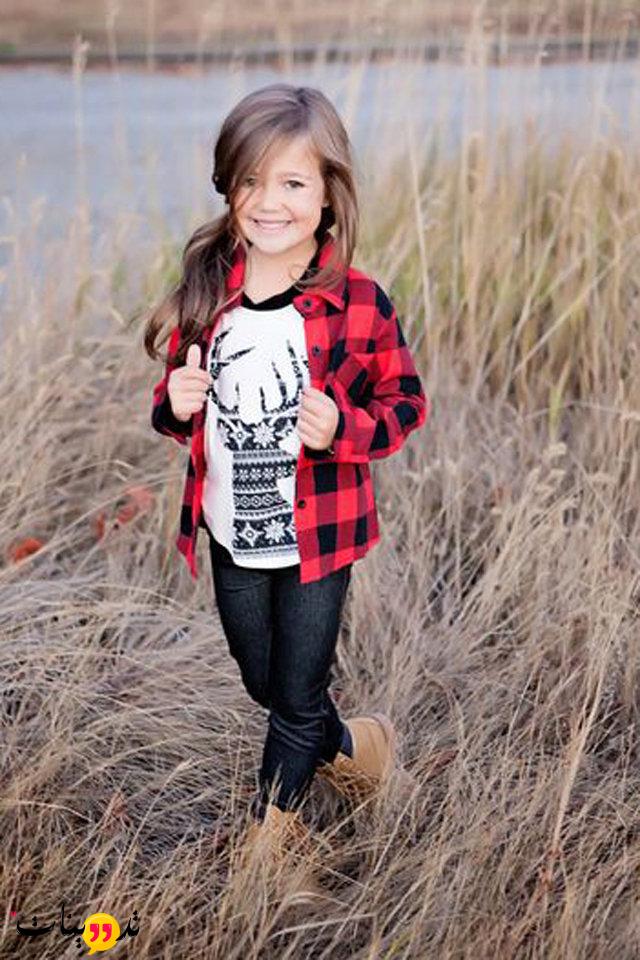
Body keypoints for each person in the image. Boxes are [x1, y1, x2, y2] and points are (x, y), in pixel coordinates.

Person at [144, 82, 431, 886]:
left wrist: (344, 429)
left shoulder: (359, 301)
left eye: (293, 183)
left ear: (329, 195)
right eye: (251, 181)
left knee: (298, 694)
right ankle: (359, 749)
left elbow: (406, 403)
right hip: (232, 528)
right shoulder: (210, 291)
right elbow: (177, 403)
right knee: (264, 681)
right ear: (229, 187)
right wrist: (173, 404)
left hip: (320, 536)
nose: (269, 202)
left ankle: (269, 854)